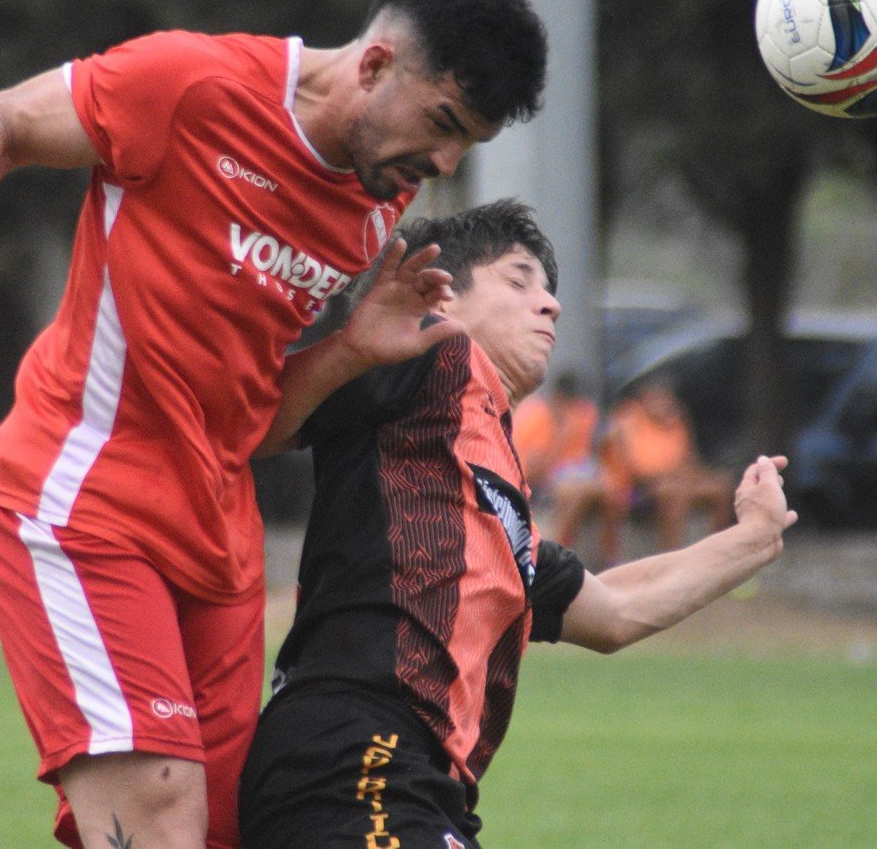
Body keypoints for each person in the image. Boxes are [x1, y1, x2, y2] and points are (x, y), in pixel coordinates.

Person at [0, 0, 547, 849]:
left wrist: (348, 352)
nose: (444, 160)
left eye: (468, 143)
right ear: (377, 64)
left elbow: (250, 424)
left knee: (231, 830)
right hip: (84, 497)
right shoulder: (190, 85)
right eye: (442, 121)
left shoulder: (372, 203)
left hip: (215, 536)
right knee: (161, 821)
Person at [239, 201, 795, 848]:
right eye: (518, 280)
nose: (549, 304)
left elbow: (615, 611)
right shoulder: (426, 355)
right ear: (442, 297)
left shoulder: (494, 492)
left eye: (549, 289)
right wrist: (351, 349)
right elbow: (250, 422)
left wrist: (752, 539)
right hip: (353, 749)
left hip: (419, 782)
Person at [552, 379, 736, 564]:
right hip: (635, 491)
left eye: (666, 399)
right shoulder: (629, 420)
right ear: (645, 400)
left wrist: (690, 475)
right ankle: (671, 562)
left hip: (672, 482)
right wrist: (675, 475)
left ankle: (720, 559)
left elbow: (689, 461)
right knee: (673, 493)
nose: (664, 405)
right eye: (657, 399)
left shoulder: (675, 420)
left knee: (720, 488)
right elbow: (639, 471)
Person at [510, 370, 600, 509]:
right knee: (576, 493)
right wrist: (561, 437)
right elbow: (535, 474)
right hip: (532, 484)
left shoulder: (581, 415)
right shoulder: (538, 417)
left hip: (570, 474)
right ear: (558, 398)